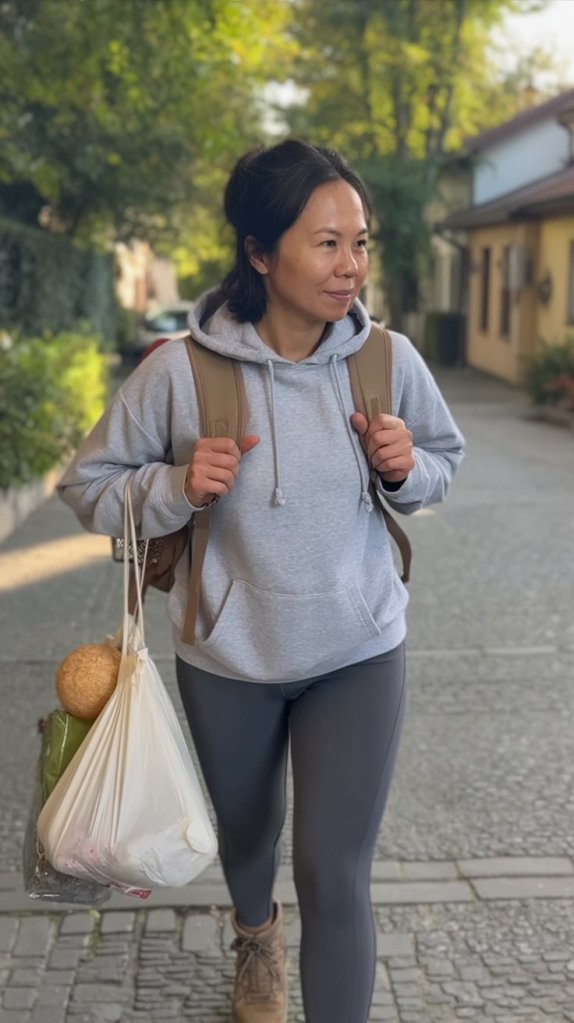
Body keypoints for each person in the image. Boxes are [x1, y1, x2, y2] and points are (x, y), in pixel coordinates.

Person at [58, 139, 465, 1023]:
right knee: (248, 841)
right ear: (259, 252)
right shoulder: (179, 371)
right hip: (228, 656)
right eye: (327, 243)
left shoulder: (386, 360)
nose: (351, 265)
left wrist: (407, 469)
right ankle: (255, 934)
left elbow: (442, 459)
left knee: (334, 868)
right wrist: (174, 486)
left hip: (357, 649)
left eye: (361, 242)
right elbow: (85, 487)